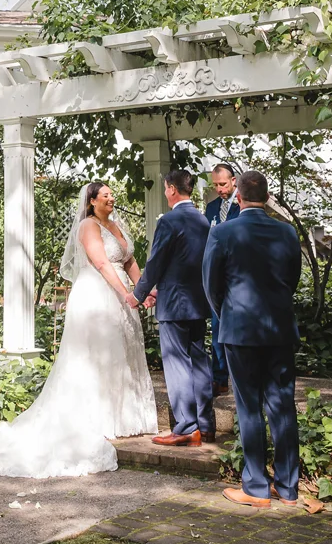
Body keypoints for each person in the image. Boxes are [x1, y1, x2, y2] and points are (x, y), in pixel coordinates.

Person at [0, 181, 157, 477]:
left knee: (122, 351)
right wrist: (126, 293)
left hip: (122, 293)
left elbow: (130, 260)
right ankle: (100, 419)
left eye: (112, 194)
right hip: (97, 293)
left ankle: (125, 418)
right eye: (106, 194)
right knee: (99, 351)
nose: (111, 198)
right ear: (92, 201)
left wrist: (145, 290)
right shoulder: (88, 226)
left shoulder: (118, 226)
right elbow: (101, 263)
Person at [203, 170, 322, 512]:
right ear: (268, 198)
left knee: (249, 407)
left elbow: (211, 285)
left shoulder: (223, 233)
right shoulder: (286, 232)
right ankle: (288, 488)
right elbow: (292, 278)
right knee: (283, 406)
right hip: (280, 329)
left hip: (239, 331)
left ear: (237, 198)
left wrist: (226, 315)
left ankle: (256, 487)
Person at [132, 169, 216, 446]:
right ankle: (205, 424)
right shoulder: (203, 220)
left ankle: (185, 427)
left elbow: (156, 262)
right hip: (197, 302)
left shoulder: (169, 221)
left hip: (174, 303)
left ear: (171, 189)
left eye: (165, 188)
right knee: (200, 362)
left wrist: (139, 293)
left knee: (177, 363)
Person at [202, 162, 240, 392]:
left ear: (233, 181)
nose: (219, 189)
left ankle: (238, 377)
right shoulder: (211, 207)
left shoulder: (244, 203)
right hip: (218, 275)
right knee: (217, 328)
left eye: (223, 184)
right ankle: (219, 377)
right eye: (216, 185)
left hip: (238, 275)